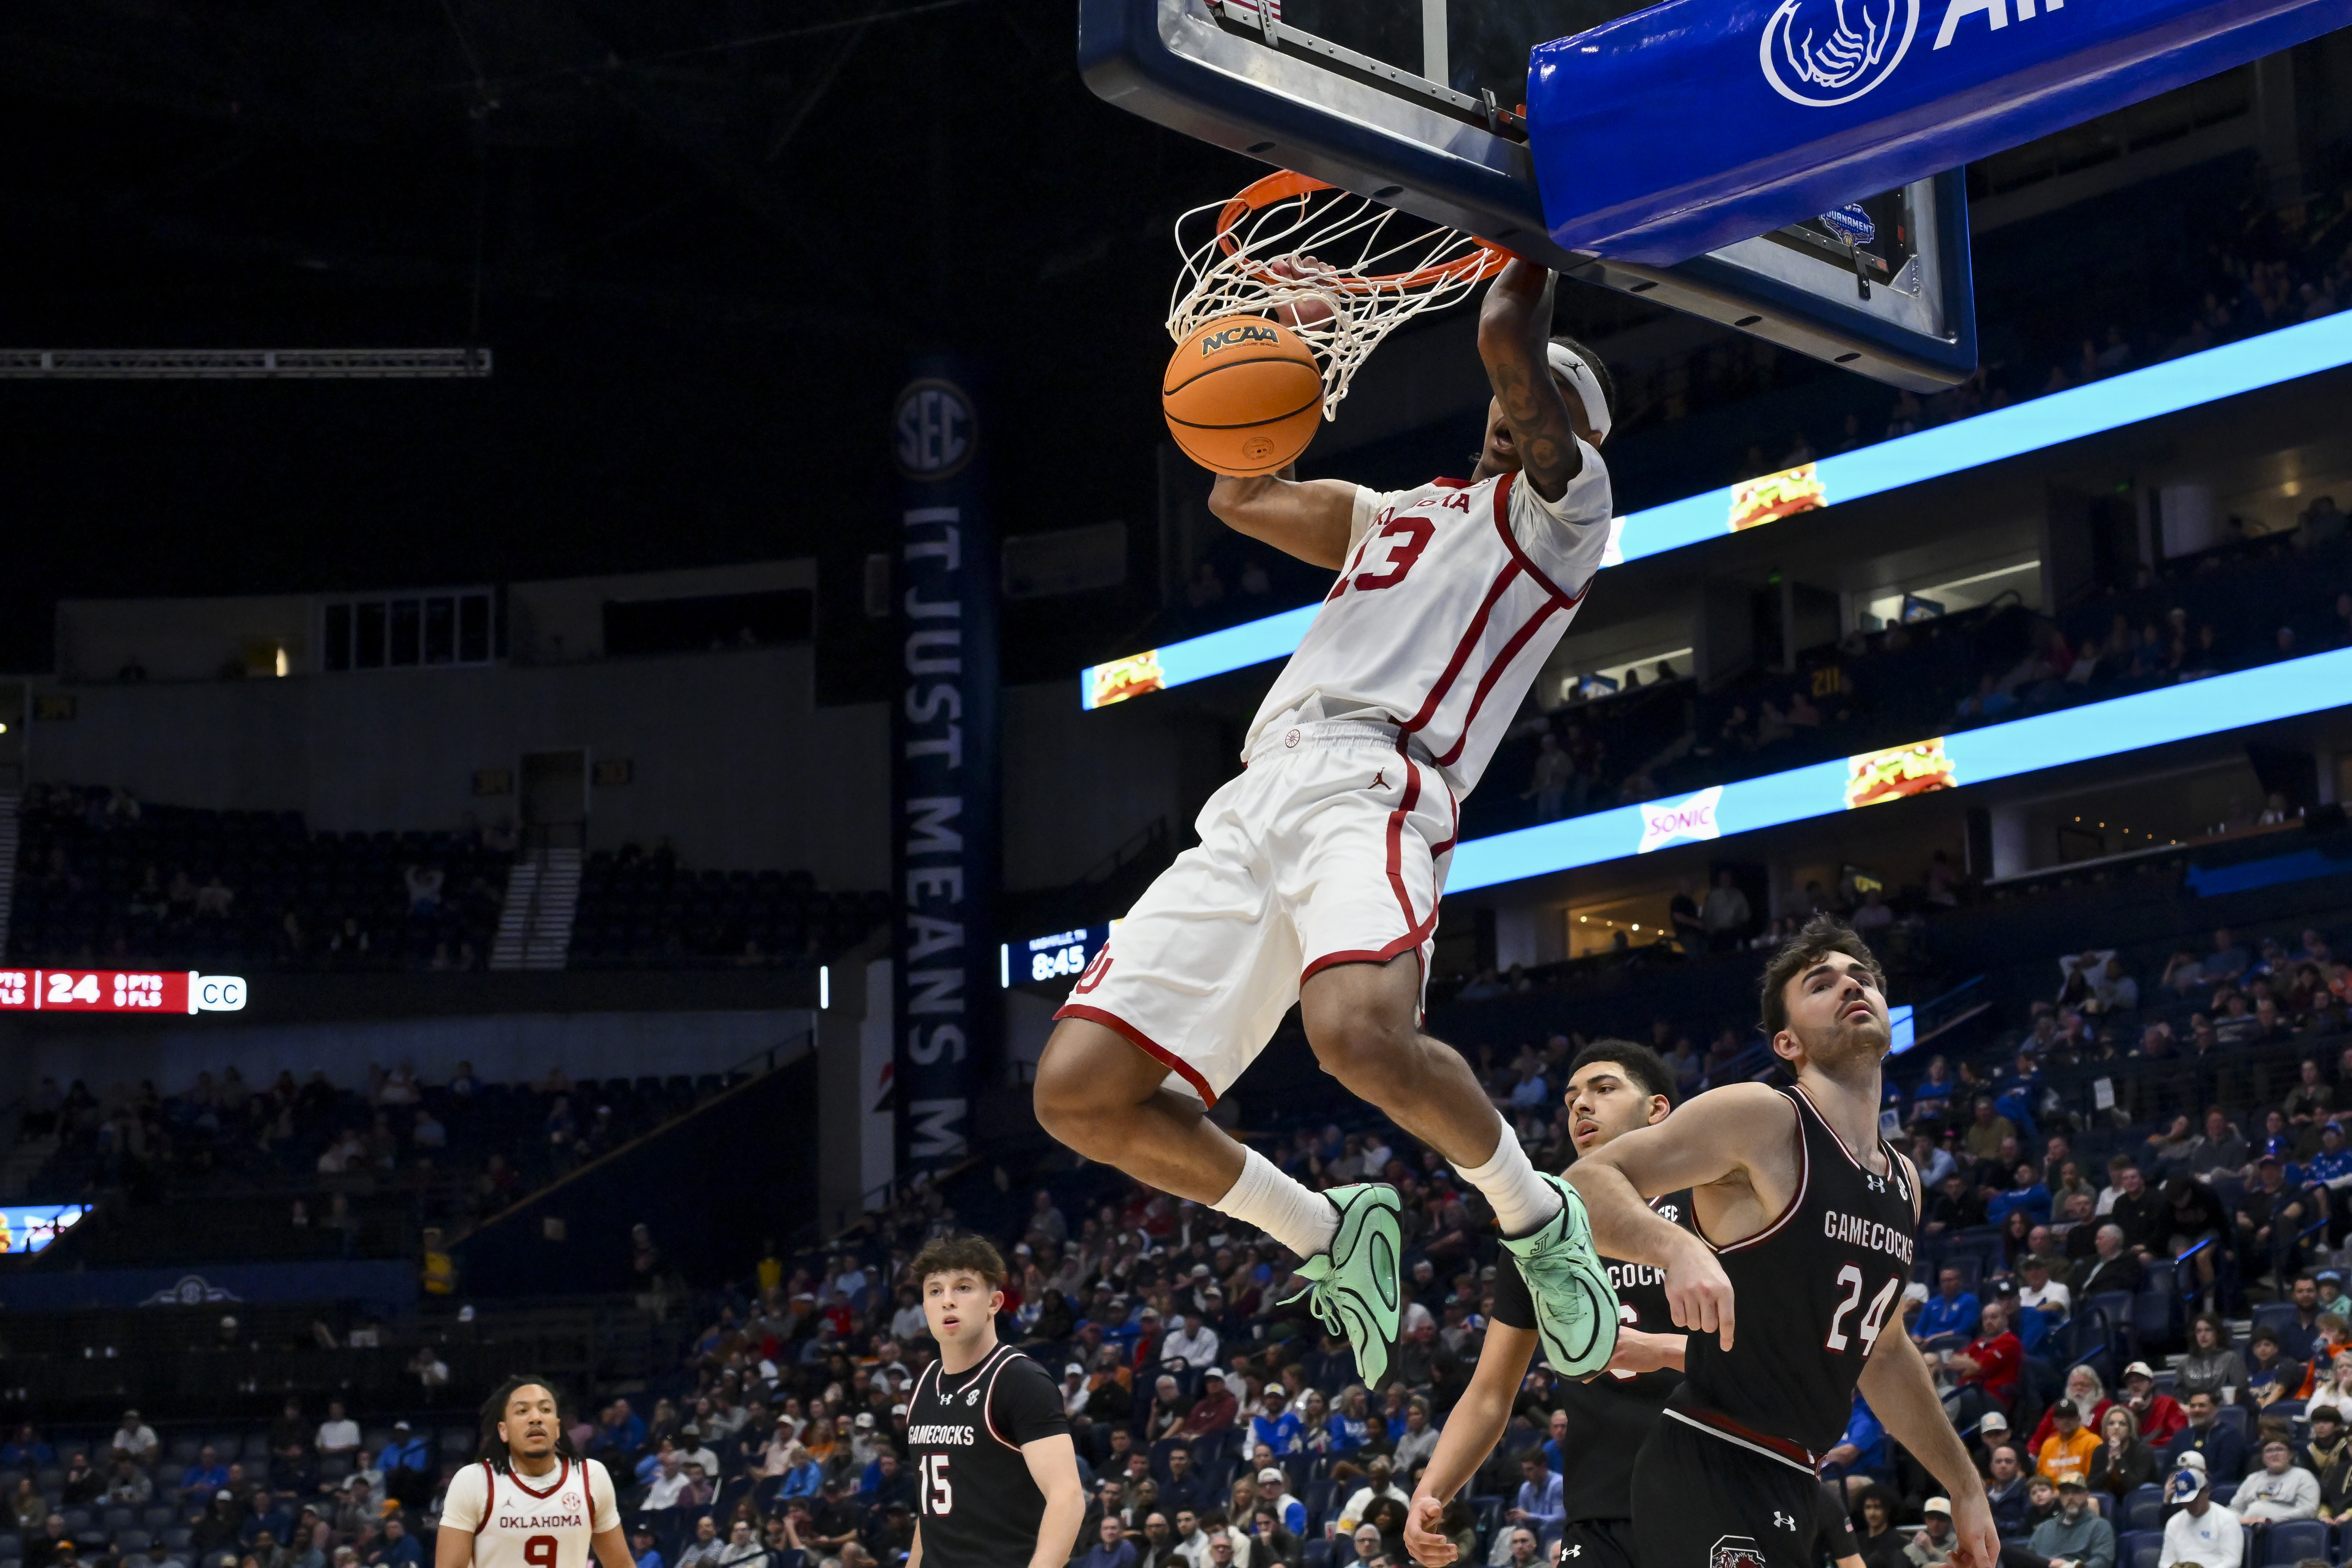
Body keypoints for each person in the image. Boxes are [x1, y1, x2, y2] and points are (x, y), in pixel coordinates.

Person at [1032, 258, 1624, 1388]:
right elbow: (1237, 495)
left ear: (1567, 436)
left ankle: (1531, 1214)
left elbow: (1508, 337)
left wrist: (1523, 234)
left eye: (1536, 404)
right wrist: (1281, 351)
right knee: (1075, 1092)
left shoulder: (1563, 518)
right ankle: (1324, 1231)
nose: (1511, 410)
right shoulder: (1397, 511)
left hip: (1379, 779)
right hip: (1258, 793)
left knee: (1354, 1034)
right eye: (1506, 402)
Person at [1569, 916, 1999, 1568]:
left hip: (1794, 1473)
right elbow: (1581, 1184)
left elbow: (1881, 1353)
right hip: (1711, 1456)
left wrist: (1964, 1485)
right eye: (1822, 982)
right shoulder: (1765, 1117)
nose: (1851, 986)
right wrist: (1677, 1246)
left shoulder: (1903, 1178)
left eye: (1862, 978)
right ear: (1787, 1040)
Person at [1404, 1041, 1693, 1568]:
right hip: (1598, 1510)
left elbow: (1779, 1350)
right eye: (1570, 1099)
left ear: (1656, 1110)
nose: (1580, 1105)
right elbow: (1490, 1392)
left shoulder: (1714, 1201)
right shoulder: (1541, 1231)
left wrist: (1660, 1348)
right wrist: (1432, 1490)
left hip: (1714, 1485)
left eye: (1603, 1089)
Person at [901, 1234, 1085, 1568]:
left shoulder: (1020, 1380)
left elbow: (1068, 1497)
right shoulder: (923, 1383)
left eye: (963, 1287)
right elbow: (932, 1513)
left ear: (994, 1302)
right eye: (935, 1291)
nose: (947, 1301)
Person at [433, 1376, 631, 1568]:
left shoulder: (591, 1476)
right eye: (522, 1411)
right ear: (503, 1431)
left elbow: (621, 1564)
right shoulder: (474, 1480)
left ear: (558, 1428)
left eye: (546, 1410)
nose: (536, 1418)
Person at [2157, 1458, 2239, 1568]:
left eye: (2193, 1500)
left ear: (2207, 1491)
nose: (2189, 1505)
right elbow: (2165, 1562)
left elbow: (2233, 1562)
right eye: (2185, 1501)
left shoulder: (2227, 1519)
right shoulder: (2174, 1522)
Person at [2166, 1392, 2247, 1486]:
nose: (2197, 1410)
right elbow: (2168, 1470)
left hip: (2214, 1491)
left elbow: (2228, 1473)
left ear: (2216, 1409)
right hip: (2181, 1489)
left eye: (2202, 1406)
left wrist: (2198, 1485)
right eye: (2193, 1406)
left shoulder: (2231, 1436)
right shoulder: (2181, 1436)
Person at [2087, 1408, 2158, 1500]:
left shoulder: (2143, 1451)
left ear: (2130, 1430)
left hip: (2139, 1500)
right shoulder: (2100, 1451)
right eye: (2111, 1424)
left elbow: (2135, 1486)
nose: (2116, 1428)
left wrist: (2119, 1459)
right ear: (2106, 1429)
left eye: (2122, 1424)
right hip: (2111, 1500)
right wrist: (2108, 1470)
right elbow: (2091, 1486)